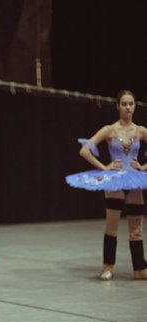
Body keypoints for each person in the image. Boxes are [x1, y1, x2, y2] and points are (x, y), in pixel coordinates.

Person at [66, 90, 147, 280]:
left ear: (135, 106)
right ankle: (108, 266)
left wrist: (143, 167)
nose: (128, 107)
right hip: (115, 182)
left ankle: (140, 268)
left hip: (134, 180)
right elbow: (84, 150)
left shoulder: (140, 130)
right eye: (124, 104)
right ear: (118, 106)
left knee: (136, 227)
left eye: (131, 104)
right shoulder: (109, 130)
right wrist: (105, 167)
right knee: (112, 225)